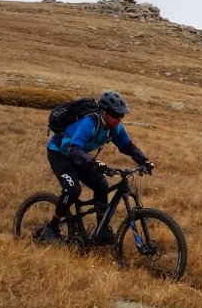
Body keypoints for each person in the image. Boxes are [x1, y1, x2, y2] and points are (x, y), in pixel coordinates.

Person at [43, 91, 154, 244]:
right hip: (60, 154)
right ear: (104, 113)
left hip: (79, 156)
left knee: (101, 184)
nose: (119, 118)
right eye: (115, 115)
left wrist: (144, 161)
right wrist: (95, 163)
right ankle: (51, 228)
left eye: (122, 115)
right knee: (73, 189)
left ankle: (101, 232)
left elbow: (126, 145)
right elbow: (73, 149)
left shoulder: (115, 128)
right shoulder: (89, 124)